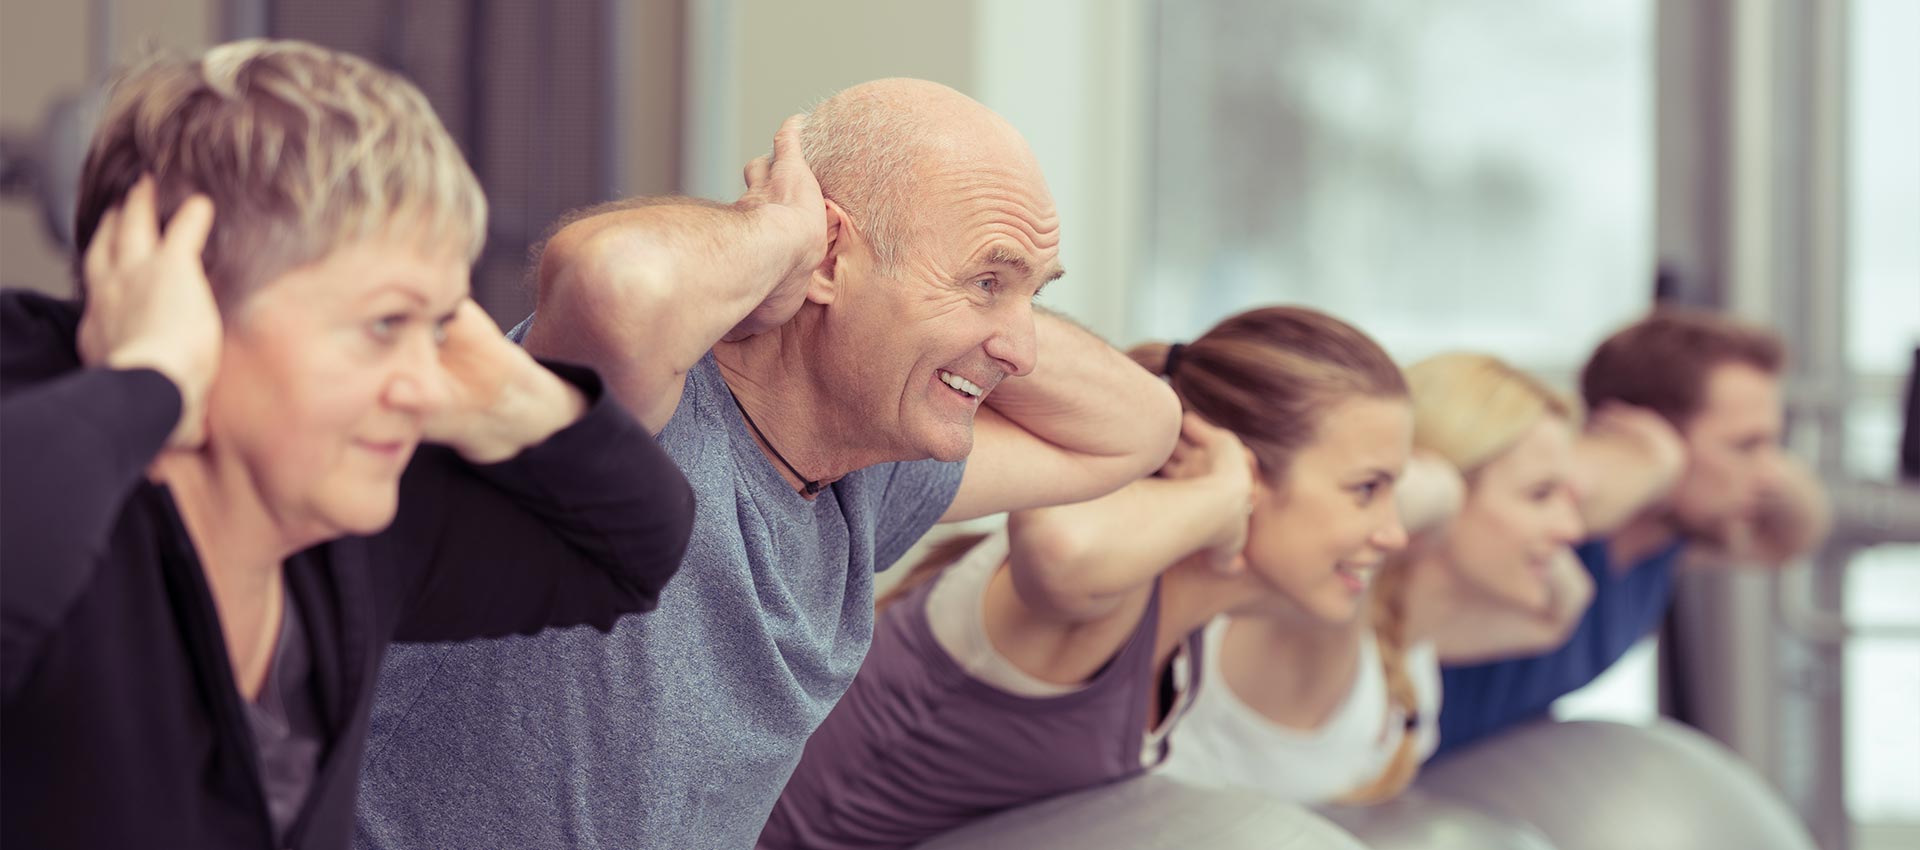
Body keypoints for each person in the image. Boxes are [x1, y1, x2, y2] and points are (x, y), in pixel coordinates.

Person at [353, 79, 1183, 849]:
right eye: (985, 280)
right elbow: (616, 282)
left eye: (1031, 293)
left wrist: (1000, 284)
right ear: (827, 260)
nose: (1022, 347)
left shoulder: (869, 465)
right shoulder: (642, 408)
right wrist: (776, 231)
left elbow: (1136, 428)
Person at [0, 41, 694, 850]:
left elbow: (635, 548)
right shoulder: (48, 446)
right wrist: (147, 382)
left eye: (435, 327)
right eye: (383, 324)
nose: (423, 382)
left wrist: (509, 392)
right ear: (190, 296)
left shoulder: (350, 523)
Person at [760, 305, 1432, 849]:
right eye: (1366, 488)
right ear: (1245, 466)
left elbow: (1445, 491)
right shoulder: (1109, 593)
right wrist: (1224, 493)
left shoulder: (1180, 622)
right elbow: (1062, 546)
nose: (1393, 533)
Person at [1161, 352, 1592, 806]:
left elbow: (1562, 612)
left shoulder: (1407, 639)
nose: (1572, 529)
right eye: (1540, 495)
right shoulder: (1320, 621)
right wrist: (1441, 488)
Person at [1434, 309, 1830, 754]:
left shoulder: (1666, 547)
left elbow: (1798, 531)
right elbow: (1571, 481)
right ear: (1652, 433)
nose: (1770, 476)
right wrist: (1652, 457)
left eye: (1770, 445)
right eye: (1745, 446)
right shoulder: (1542, 530)